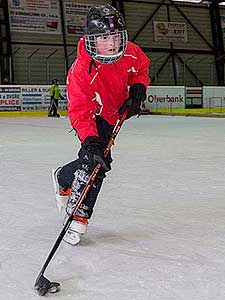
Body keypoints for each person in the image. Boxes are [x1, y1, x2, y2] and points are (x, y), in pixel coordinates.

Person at [51, 4, 150, 245]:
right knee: (95, 162)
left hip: (113, 113)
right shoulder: (81, 71)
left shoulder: (130, 51)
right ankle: (77, 217)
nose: (113, 42)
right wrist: (90, 140)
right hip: (94, 115)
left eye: (115, 35)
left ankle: (63, 177)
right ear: (93, 39)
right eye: (105, 37)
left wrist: (138, 90)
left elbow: (141, 68)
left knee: (97, 161)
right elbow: (80, 111)